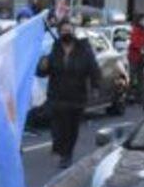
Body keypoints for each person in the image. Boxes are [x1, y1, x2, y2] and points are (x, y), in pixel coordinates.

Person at [37, 18, 100, 168]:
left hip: (76, 95)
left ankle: (67, 154)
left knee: (71, 128)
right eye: (63, 31)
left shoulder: (83, 49)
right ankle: (60, 148)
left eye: (69, 30)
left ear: (73, 32)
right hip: (57, 95)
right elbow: (43, 71)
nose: (66, 33)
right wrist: (43, 66)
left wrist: (95, 86)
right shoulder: (54, 48)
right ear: (59, 33)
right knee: (58, 127)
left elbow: (93, 68)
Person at [126, 13, 144, 97]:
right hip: (134, 57)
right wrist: (140, 48)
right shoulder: (135, 30)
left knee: (141, 77)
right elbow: (134, 42)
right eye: (143, 20)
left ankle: (139, 95)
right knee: (132, 76)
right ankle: (129, 94)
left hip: (143, 58)